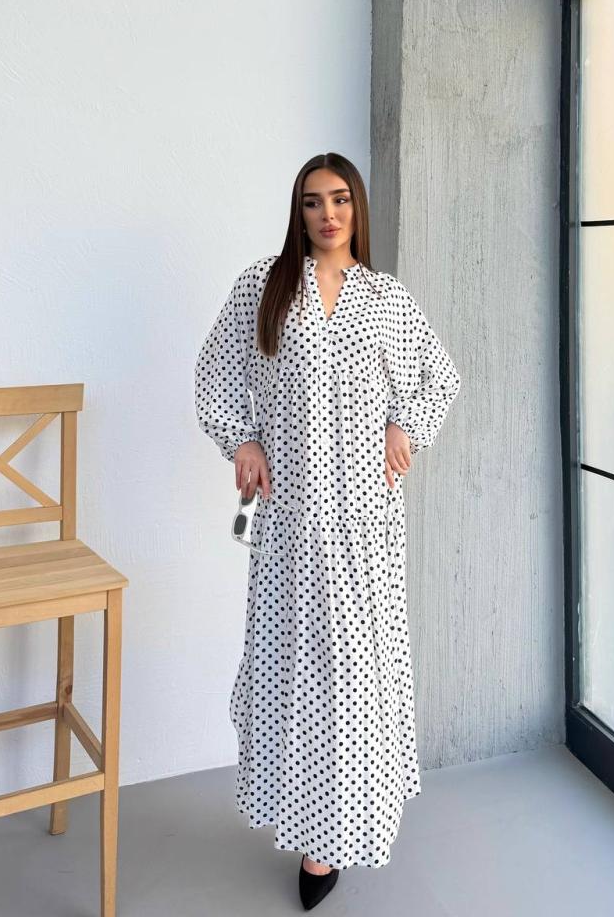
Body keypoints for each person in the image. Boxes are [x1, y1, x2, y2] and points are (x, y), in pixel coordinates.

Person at [194, 152, 460, 910]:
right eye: (313, 202)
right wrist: (243, 440)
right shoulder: (265, 285)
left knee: (354, 677)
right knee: (295, 671)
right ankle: (305, 822)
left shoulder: (385, 298)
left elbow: (439, 376)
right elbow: (216, 372)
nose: (328, 214)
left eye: (340, 199)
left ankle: (338, 833)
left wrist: (405, 425)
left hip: (367, 525)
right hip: (291, 523)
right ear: (299, 212)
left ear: (357, 208)